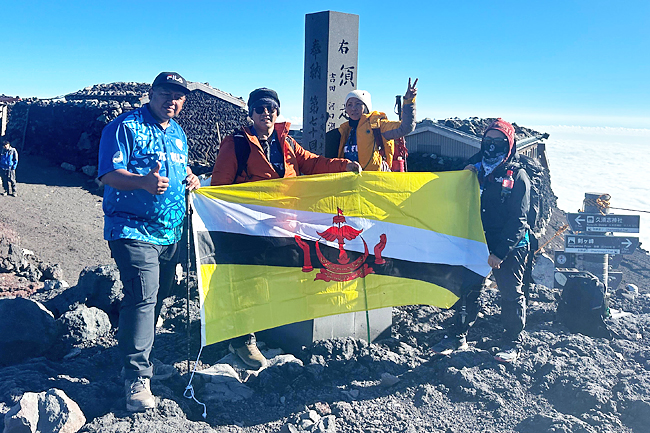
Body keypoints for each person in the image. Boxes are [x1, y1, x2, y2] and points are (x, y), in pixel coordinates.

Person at [211, 87, 361, 368]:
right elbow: (220, 187)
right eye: (259, 109)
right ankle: (243, 339)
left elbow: (314, 164)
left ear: (277, 112)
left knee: (275, 280)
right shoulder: (236, 144)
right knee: (249, 284)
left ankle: (268, 327)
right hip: (248, 229)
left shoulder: (287, 143)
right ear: (251, 113)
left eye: (271, 109)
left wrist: (345, 166)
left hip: (282, 227)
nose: (266, 113)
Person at [97, 72, 200, 412]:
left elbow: (177, 171)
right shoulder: (124, 126)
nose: (173, 100)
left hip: (172, 231)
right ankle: (136, 377)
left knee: (158, 295)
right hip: (132, 229)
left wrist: (190, 178)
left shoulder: (179, 133)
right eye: (166, 93)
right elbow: (109, 174)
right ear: (151, 93)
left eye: (180, 96)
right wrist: (142, 182)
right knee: (143, 296)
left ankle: (141, 357)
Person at [432, 118, 530, 363]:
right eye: (488, 140)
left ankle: (512, 343)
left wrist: (499, 253)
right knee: (467, 290)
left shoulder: (517, 175)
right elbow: (453, 201)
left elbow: (519, 219)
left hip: (509, 246)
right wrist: (462, 179)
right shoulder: (472, 168)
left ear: (509, 144)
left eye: (499, 141)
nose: (492, 145)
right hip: (477, 241)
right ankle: (457, 336)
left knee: (510, 293)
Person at [336, 78, 417, 171]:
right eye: (349, 104)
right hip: (350, 180)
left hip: (373, 180)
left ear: (366, 107)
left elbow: (406, 127)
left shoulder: (377, 124)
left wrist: (409, 101)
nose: (353, 108)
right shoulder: (345, 129)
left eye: (358, 104)